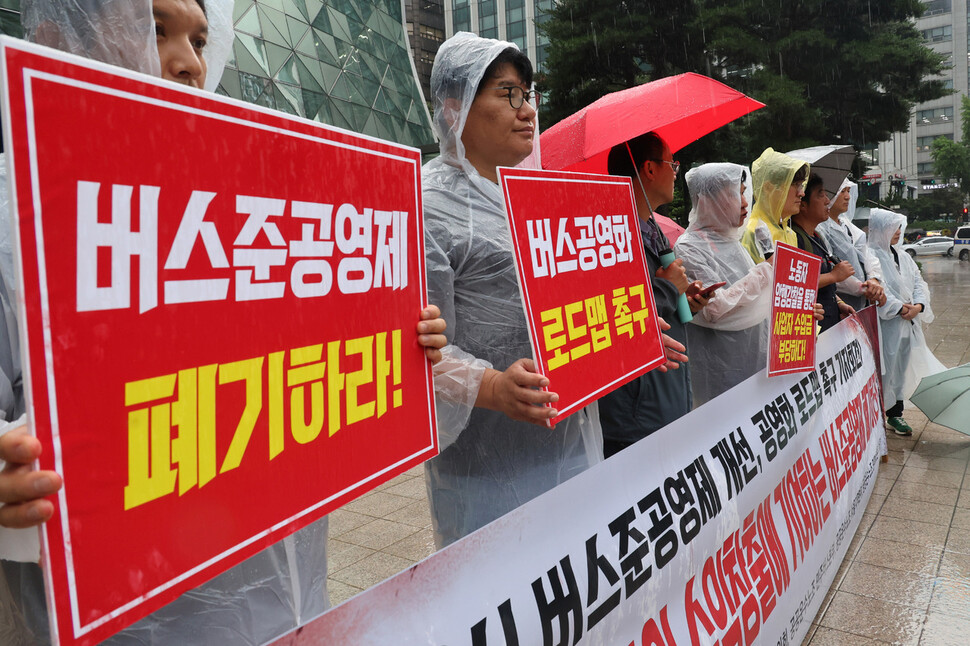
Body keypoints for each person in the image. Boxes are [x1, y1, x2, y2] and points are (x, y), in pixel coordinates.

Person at [0, 2, 449, 644]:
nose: (189, 62)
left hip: (290, 602)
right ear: (56, 33)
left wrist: (400, 344)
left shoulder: (252, 210)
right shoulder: (15, 221)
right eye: (155, 29)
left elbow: (301, 365)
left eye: (201, 39)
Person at [422, 33, 612, 547]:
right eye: (507, 93)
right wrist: (492, 388)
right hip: (485, 464)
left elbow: (579, 303)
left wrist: (628, 338)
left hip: (570, 443)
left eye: (528, 94)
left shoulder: (539, 198)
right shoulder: (425, 206)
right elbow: (412, 352)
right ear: (455, 106)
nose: (527, 109)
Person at [596, 132, 711, 457]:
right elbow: (609, 319)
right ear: (648, 168)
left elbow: (659, 310)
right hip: (636, 415)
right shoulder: (606, 237)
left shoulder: (654, 229)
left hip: (667, 398)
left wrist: (686, 303)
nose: (675, 172)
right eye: (671, 164)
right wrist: (667, 287)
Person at [675, 163, 773, 406]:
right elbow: (715, 308)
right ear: (707, 200)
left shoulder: (734, 242)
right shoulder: (689, 246)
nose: (744, 202)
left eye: (743, 192)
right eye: (734, 193)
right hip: (719, 375)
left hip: (754, 367)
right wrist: (765, 272)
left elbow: (755, 301)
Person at [866, 209, 945, 436]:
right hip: (887, 324)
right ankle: (876, 415)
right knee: (883, 370)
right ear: (880, 229)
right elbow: (878, 289)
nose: (898, 232)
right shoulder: (871, 255)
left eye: (900, 227)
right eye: (893, 228)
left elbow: (919, 283)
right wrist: (900, 308)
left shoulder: (904, 256)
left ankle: (895, 414)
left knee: (900, 369)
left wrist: (918, 306)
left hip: (907, 322)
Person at [789, 173, 856, 332]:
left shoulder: (817, 237)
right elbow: (794, 285)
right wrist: (833, 276)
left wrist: (839, 304)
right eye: (821, 195)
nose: (828, 201)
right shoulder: (795, 239)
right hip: (813, 333)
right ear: (803, 204)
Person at [817, 178, 885, 311]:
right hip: (840, 304)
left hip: (862, 300)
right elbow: (832, 270)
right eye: (842, 191)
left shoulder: (846, 225)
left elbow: (867, 257)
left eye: (848, 191)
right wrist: (864, 288)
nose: (848, 197)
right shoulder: (821, 228)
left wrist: (874, 279)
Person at [741, 148, 809, 263]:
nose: (802, 193)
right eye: (795, 184)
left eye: (801, 185)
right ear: (768, 188)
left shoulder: (790, 233)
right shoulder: (754, 232)